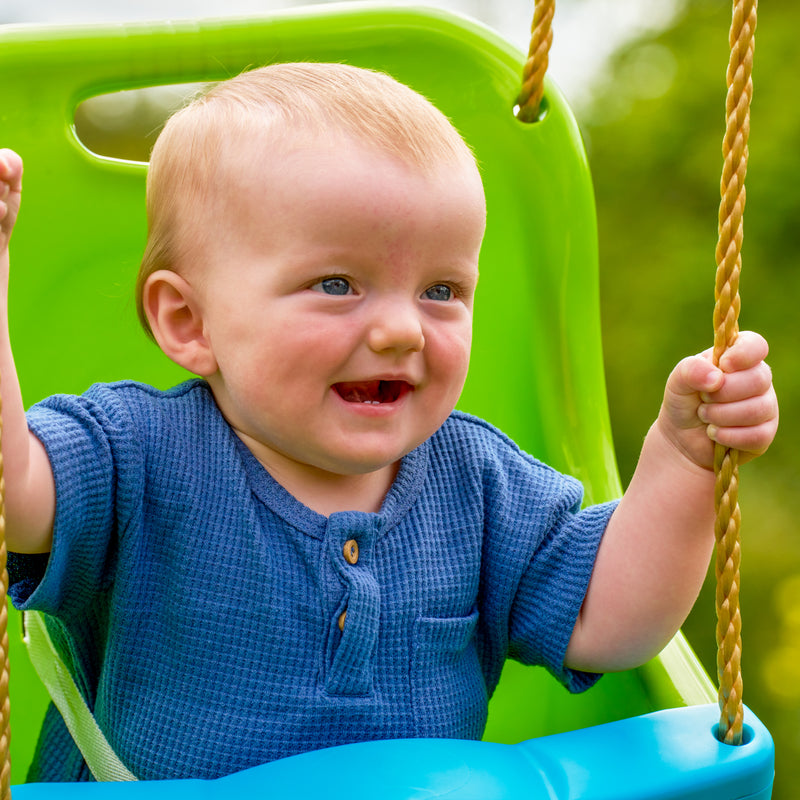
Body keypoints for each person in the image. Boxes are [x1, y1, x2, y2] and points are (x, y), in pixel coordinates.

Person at [0, 63, 778, 783]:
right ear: (189, 322)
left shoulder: (480, 484)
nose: (404, 330)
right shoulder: (134, 455)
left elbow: (610, 623)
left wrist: (682, 458)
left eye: (442, 290)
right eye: (338, 284)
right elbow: (16, 494)